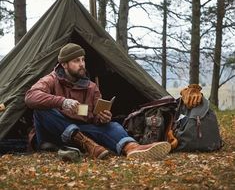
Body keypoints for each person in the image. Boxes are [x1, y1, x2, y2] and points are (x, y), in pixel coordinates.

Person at [25, 43, 171, 160]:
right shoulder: (50, 80)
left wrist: (102, 118)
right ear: (64, 64)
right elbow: (30, 97)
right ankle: (85, 143)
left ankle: (132, 148)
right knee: (42, 110)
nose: (81, 64)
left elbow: (92, 117)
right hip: (53, 134)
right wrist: (62, 102)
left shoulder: (91, 87)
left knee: (112, 125)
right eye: (76, 60)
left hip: (81, 131)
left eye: (83, 59)